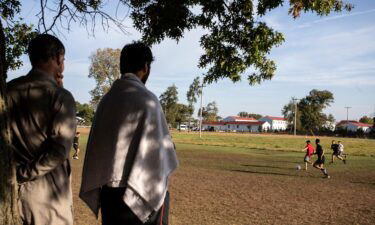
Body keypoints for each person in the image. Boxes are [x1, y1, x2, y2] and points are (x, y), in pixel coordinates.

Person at [80, 42, 178, 225]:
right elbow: (162, 151)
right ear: (145, 67)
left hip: (110, 196)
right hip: (142, 191)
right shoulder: (148, 100)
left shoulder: (106, 101)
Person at [7, 34, 76, 225]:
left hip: (14, 195)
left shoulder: (9, 90)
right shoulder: (61, 97)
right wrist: (23, 174)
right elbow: (59, 151)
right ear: (58, 58)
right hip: (48, 198)